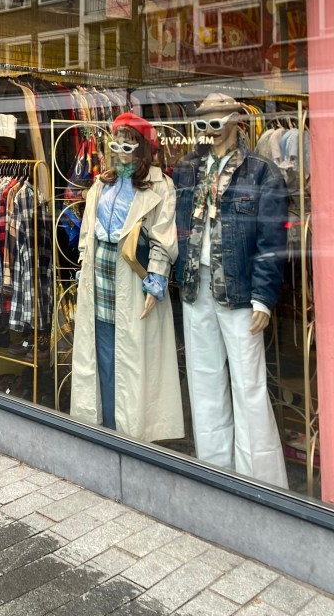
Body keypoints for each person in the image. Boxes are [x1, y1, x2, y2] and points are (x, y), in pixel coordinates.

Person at [172, 92, 289, 488]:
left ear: (236, 122)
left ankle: (261, 482)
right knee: (204, 380)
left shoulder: (261, 172)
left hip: (239, 290)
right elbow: (177, 225)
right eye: (204, 123)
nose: (211, 131)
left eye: (217, 122)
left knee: (248, 384)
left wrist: (263, 297)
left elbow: (272, 242)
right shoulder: (187, 169)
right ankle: (215, 472)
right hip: (196, 285)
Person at [71, 113, 184, 442]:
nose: (121, 153)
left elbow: (164, 236)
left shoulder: (160, 185)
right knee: (103, 353)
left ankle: (130, 436)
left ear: (142, 149)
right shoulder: (101, 183)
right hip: (99, 277)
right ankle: (105, 429)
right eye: (116, 146)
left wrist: (157, 277)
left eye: (128, 146)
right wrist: (83, 264)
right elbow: (87, 231)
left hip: (133, 279)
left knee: (132, 361)